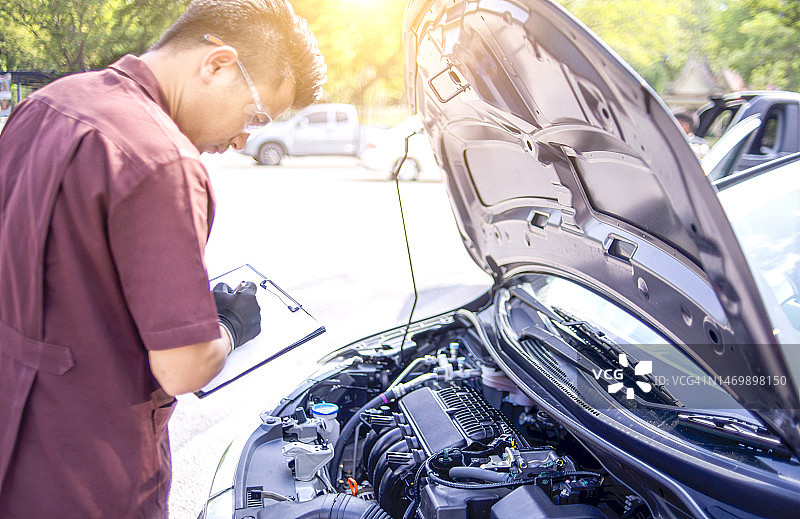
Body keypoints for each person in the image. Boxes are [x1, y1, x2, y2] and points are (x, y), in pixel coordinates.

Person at [0, 1, 326, 517]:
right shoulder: (162, 160)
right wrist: (229, 326)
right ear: (217, 64)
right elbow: (184, 367)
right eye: (254, 116)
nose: (242, 140)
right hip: (89, 471)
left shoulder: (47, 104)